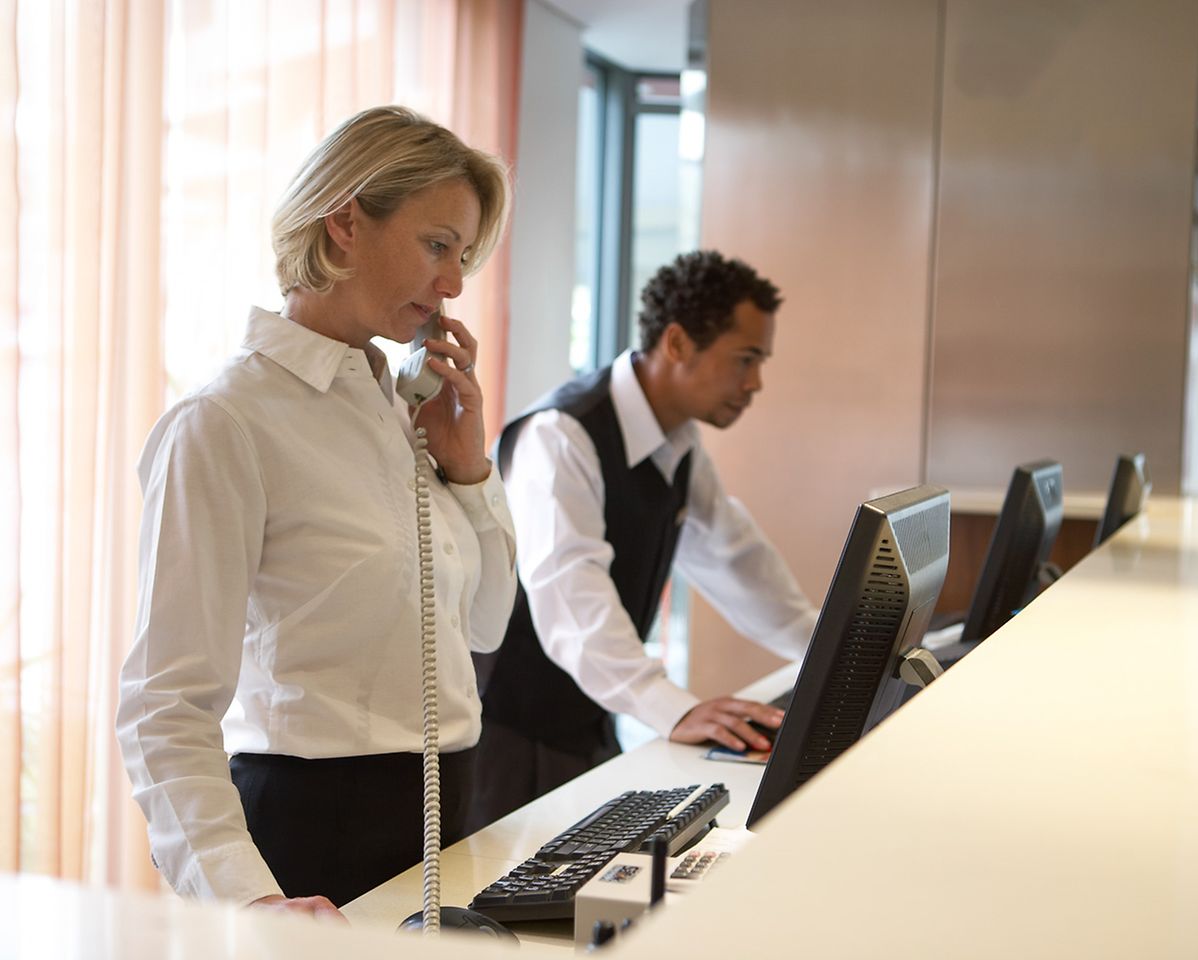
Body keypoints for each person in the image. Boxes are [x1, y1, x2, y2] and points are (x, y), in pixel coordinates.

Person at [115, 106, 517, 917]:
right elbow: (164, 707)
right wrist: (247, 898)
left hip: (448, 814)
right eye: (437, 245)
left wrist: (470, 471)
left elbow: (487, 625)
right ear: (343, 229)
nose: (454, 285)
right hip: (307, 844)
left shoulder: (402, 412)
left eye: (464, 255)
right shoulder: (226, 423)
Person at [471, 250, 819, 826]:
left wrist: (829, 650)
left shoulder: (677, 442)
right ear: (679, 343)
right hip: (506, 736)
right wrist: (672, 707)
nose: (756, 383)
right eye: (745, 359)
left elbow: (736, 559)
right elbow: (570, 594)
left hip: (587, 721)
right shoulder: (561, 435)